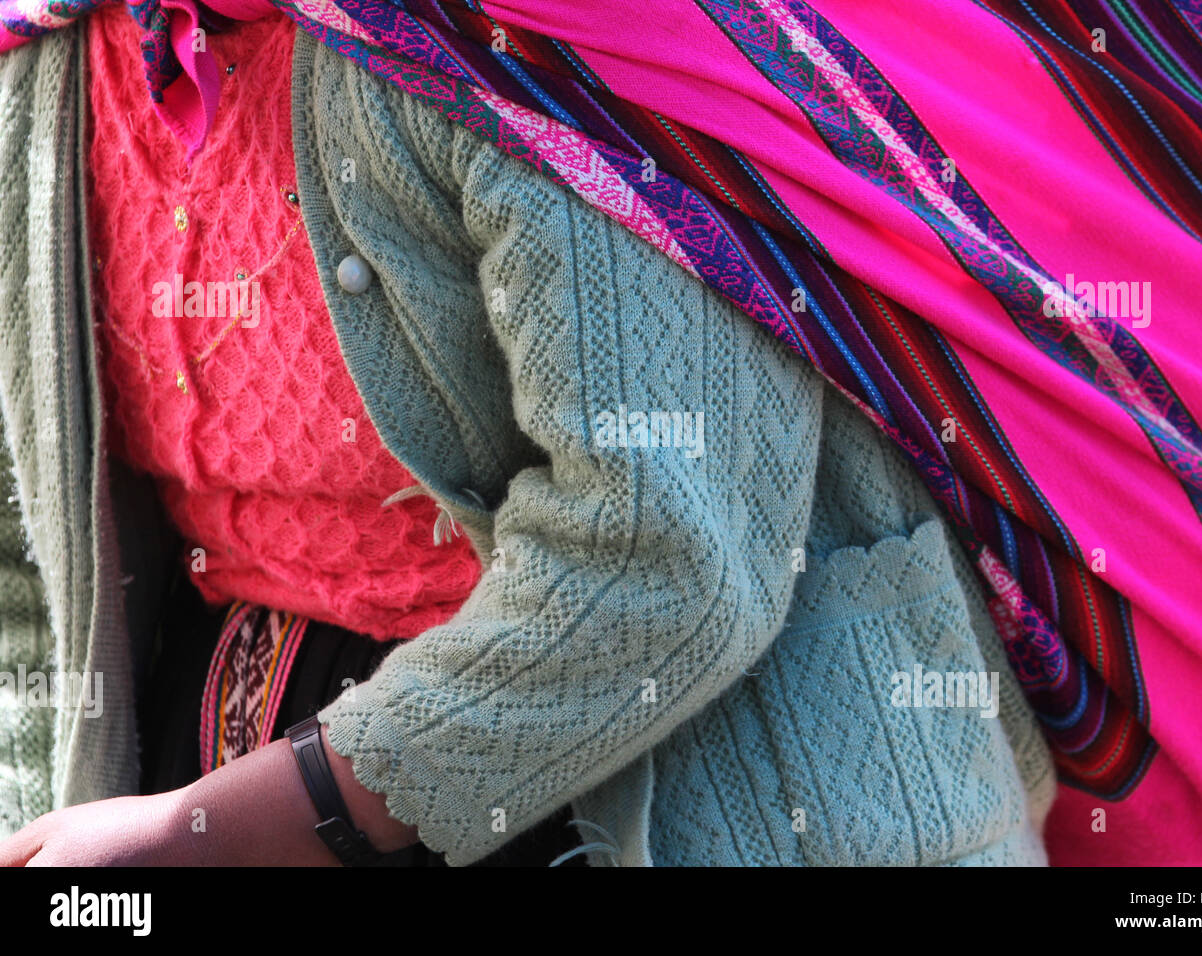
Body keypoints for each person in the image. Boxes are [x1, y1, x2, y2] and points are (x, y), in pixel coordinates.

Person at [0, 2, 1054, 865]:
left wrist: (235, 824)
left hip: (689, 779)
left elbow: (666, 554)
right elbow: (29, 571)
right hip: (217, 749)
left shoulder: (542, 34)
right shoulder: (51, 52)